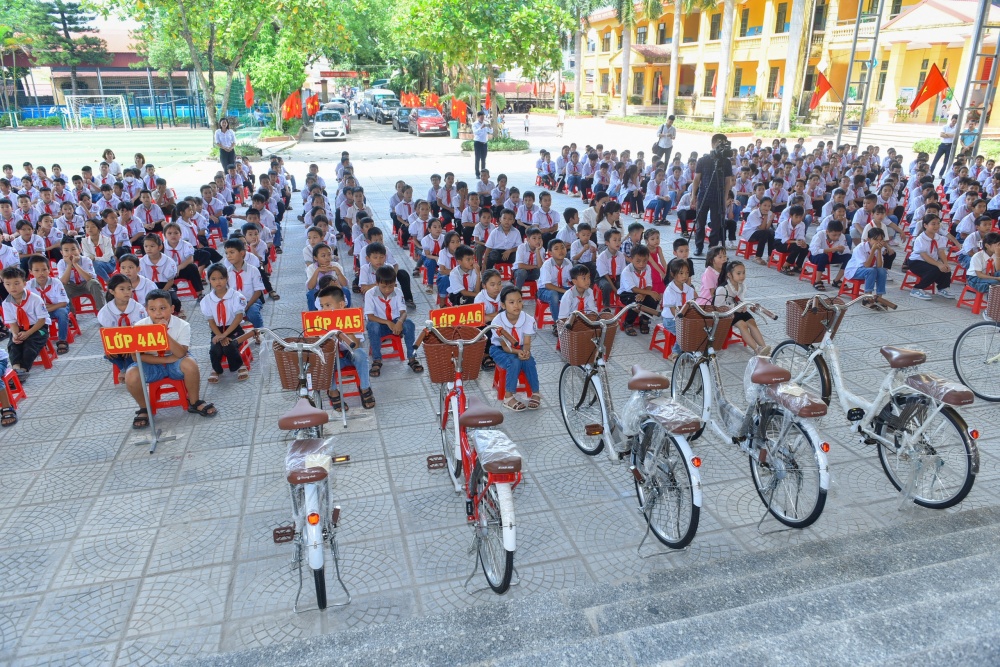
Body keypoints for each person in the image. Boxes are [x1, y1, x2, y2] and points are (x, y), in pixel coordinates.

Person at [126, 290, 217, 429]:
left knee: (190, 364)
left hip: (175, 363)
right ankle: (144, 408)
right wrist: (167, 360)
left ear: (172, 308)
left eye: (163, 308)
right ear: (146, 310)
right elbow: (136, 357)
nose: (158, 313)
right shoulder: (139, 327)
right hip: (152, 365)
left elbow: (181, 353)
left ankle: (194, 402)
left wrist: (163, 332)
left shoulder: (182, 325)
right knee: (131, 374)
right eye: (152, 309)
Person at [318, 285, 375, 410]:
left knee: (360, 353)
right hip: (332, 357)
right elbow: (319, 347)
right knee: (324, 359)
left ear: (341, 304)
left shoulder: (352, 317)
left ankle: (365, 388)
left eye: (328, 305)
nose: (324, 309)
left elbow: (356, 345)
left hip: (349, 355)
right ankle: (333, 391)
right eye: (322, 306)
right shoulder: (320, 321)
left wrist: (345, 328)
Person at [364, 266, 422, 376]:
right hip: (379, 324)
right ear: (377, 283)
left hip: (395, 322)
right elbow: (370, 316)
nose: (387, 290)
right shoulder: (370, 294)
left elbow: (403, 312)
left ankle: (412, 358)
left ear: (395, 283)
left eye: (390, 286)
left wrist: (399, 322)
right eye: (384, 287)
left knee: (409, 325)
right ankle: (377, 359)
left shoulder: (398, 292)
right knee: (373, 326)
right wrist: (387, 322)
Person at [490, 285, 540, 411]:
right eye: (511, 302)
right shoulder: (497, 321)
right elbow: (505, 347)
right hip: (499, 349)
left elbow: (527, 343)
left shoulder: (528, 319)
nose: (516, 305)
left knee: (528, 361)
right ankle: (508, 396)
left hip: (520, 346)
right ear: (503, 305)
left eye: (519, 301)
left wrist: (526, 351)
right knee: (514, 361)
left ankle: (535, 392)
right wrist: (519, 352)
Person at [200, 263, 249, 383]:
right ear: (209, 280)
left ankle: (239, 365)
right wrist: (220, 336)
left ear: (227, 278)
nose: (218, 282)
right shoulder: (206, 300)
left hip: (234, 328)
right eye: (213, 279)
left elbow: (238, 317)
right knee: (215, 348)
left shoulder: (236, 296)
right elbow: (211, 322)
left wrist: (225, 334)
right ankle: (216, 369)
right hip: (217, 330)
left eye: (221, 278)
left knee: (229, 346)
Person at [2, 266, 50, 379]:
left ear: (24, 283)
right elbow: (12, 323)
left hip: (38, 328)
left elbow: (42, 320)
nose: (12, 287)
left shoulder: (35, 299)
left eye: (16, 283)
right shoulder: (6, 303)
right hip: (20, 327)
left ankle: (23, 369)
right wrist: (15, 334)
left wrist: (28, 333)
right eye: (8, 284)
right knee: (14, 343)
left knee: (30, 344)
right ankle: (16, 368)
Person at [690, 133, 734, 255]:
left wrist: (725, 198)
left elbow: (727, 181)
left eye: (723, 143)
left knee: (716, 225)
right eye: (719, 143)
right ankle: (698, 247)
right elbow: (697, 179)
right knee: (700, 223)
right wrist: (693, 196)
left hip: (718, 196)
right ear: (713, 144)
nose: (721, 146)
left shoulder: (726, 162)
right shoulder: (703, 160)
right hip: (703, 194)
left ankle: (713, 248)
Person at [714, 260, 769, 354]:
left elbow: (741, 299)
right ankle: (757, 349)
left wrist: (744, 306)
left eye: (743, 273)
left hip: (737, 309)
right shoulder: (723, 289)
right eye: (738, 273)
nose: (742, 276)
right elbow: (717, 306)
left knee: (752, 323)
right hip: (726, 313)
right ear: (729, 275)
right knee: (742, 325)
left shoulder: (742, 286)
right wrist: (733, 307)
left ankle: (764, 348)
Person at [97, 274, 148, 373]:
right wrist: (111, 348)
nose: (127, 292)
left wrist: (130, 347)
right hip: (117, 342)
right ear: (112, 291)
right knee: (110, 355)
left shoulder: (139, 308)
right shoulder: (105, 312)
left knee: (133, 355)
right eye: (122, 289)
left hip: (136, 341)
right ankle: (124, 368)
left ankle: (126, 371)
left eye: (129, 289)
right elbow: (107, 334)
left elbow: (142, 330)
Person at [26, 255, 71, 355]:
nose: (41, 273)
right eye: (36, 270)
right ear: (31, 272)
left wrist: (48, 309)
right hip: (40, 312)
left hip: (57, 308)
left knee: (63, 313)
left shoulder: (56, 282)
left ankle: (62, 340)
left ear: (49, 269)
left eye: (44, 269)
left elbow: (64, 303)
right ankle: (41, 341)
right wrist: (42, 310)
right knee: (31, 317)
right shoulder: (28, 286)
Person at [907, 214, 955, 300]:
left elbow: (941, 251)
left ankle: (942, 288)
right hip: (916, 262)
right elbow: (924, 255)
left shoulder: (939, 238)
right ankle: (917, 289)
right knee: (934, 270)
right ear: (925, 225)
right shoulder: (920, 238)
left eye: (938, 223)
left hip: (931, 261)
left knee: (946, 269)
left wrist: (945, 263)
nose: (936, 226)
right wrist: (938, 264)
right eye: (933, 224)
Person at [845, 227, 891, 310]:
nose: (878, 242)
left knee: (882, 271)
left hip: (868, 270)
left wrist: (879, 251)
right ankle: (867, 298)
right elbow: (866, 265)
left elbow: (879, 266)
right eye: (876, 240)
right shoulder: (860, 248)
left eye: (881, 240)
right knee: (871, 270)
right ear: (868, 239)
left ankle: (879, 297)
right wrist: (873, 251)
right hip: (854, 271)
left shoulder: (879, 248)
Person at [618, 245, 659, 336]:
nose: (642, 264)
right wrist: (648, 293)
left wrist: (644, 295)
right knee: (635, 302)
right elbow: (633, 289)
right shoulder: (627, 271)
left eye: (645, 261)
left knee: (655, 298)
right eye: (638, 261)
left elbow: (648, 285)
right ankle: (628, 323)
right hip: (627, 293)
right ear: (631, 259)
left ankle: (644, 320)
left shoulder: (647, 268)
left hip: (643, 291)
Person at [472, 111, 493, 177]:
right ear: (478, 117)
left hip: (484, 143)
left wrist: (490, 127)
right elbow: (475, 132)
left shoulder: (486, 123)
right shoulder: (474, 124)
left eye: (483, 117)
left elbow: (491, 131)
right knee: (477, 159)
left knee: (483, 159)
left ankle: (483, 173)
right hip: (478, 143)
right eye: (481, 117)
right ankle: (477, 174)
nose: (482, 118)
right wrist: (481, 127)